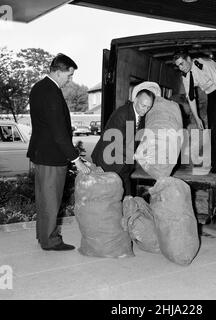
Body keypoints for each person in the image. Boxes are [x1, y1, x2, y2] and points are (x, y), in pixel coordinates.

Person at [27, 53, 90, 251]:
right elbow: (58, 132)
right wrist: (76, 160)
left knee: (45, 199)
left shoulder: (39, 87)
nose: (70, 80)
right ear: (57, 71)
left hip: (42, 153)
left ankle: (43, 236)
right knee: (51, 201)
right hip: (51, 156)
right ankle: (50, 241)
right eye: (68, 76)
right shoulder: (50, 92)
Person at [174, 51, 216, 173]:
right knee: (212, 127)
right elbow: (191, 97)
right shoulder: (185, 75)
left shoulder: (202, 64)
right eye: (178, 66)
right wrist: (197, 118)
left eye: (182, 63)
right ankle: (214, 161)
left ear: (189, 59)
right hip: (212, 93)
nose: (181, 67)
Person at [91, 83, 158, 195]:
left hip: (124, 162)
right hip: (108, 162)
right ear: (135, 100)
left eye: (148, 107)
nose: (145, 110)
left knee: (127, 197)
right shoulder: (122, 114)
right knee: (109, 198)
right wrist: (135, 155)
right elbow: (114, 142)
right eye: (143, 105)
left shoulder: (141, 116)